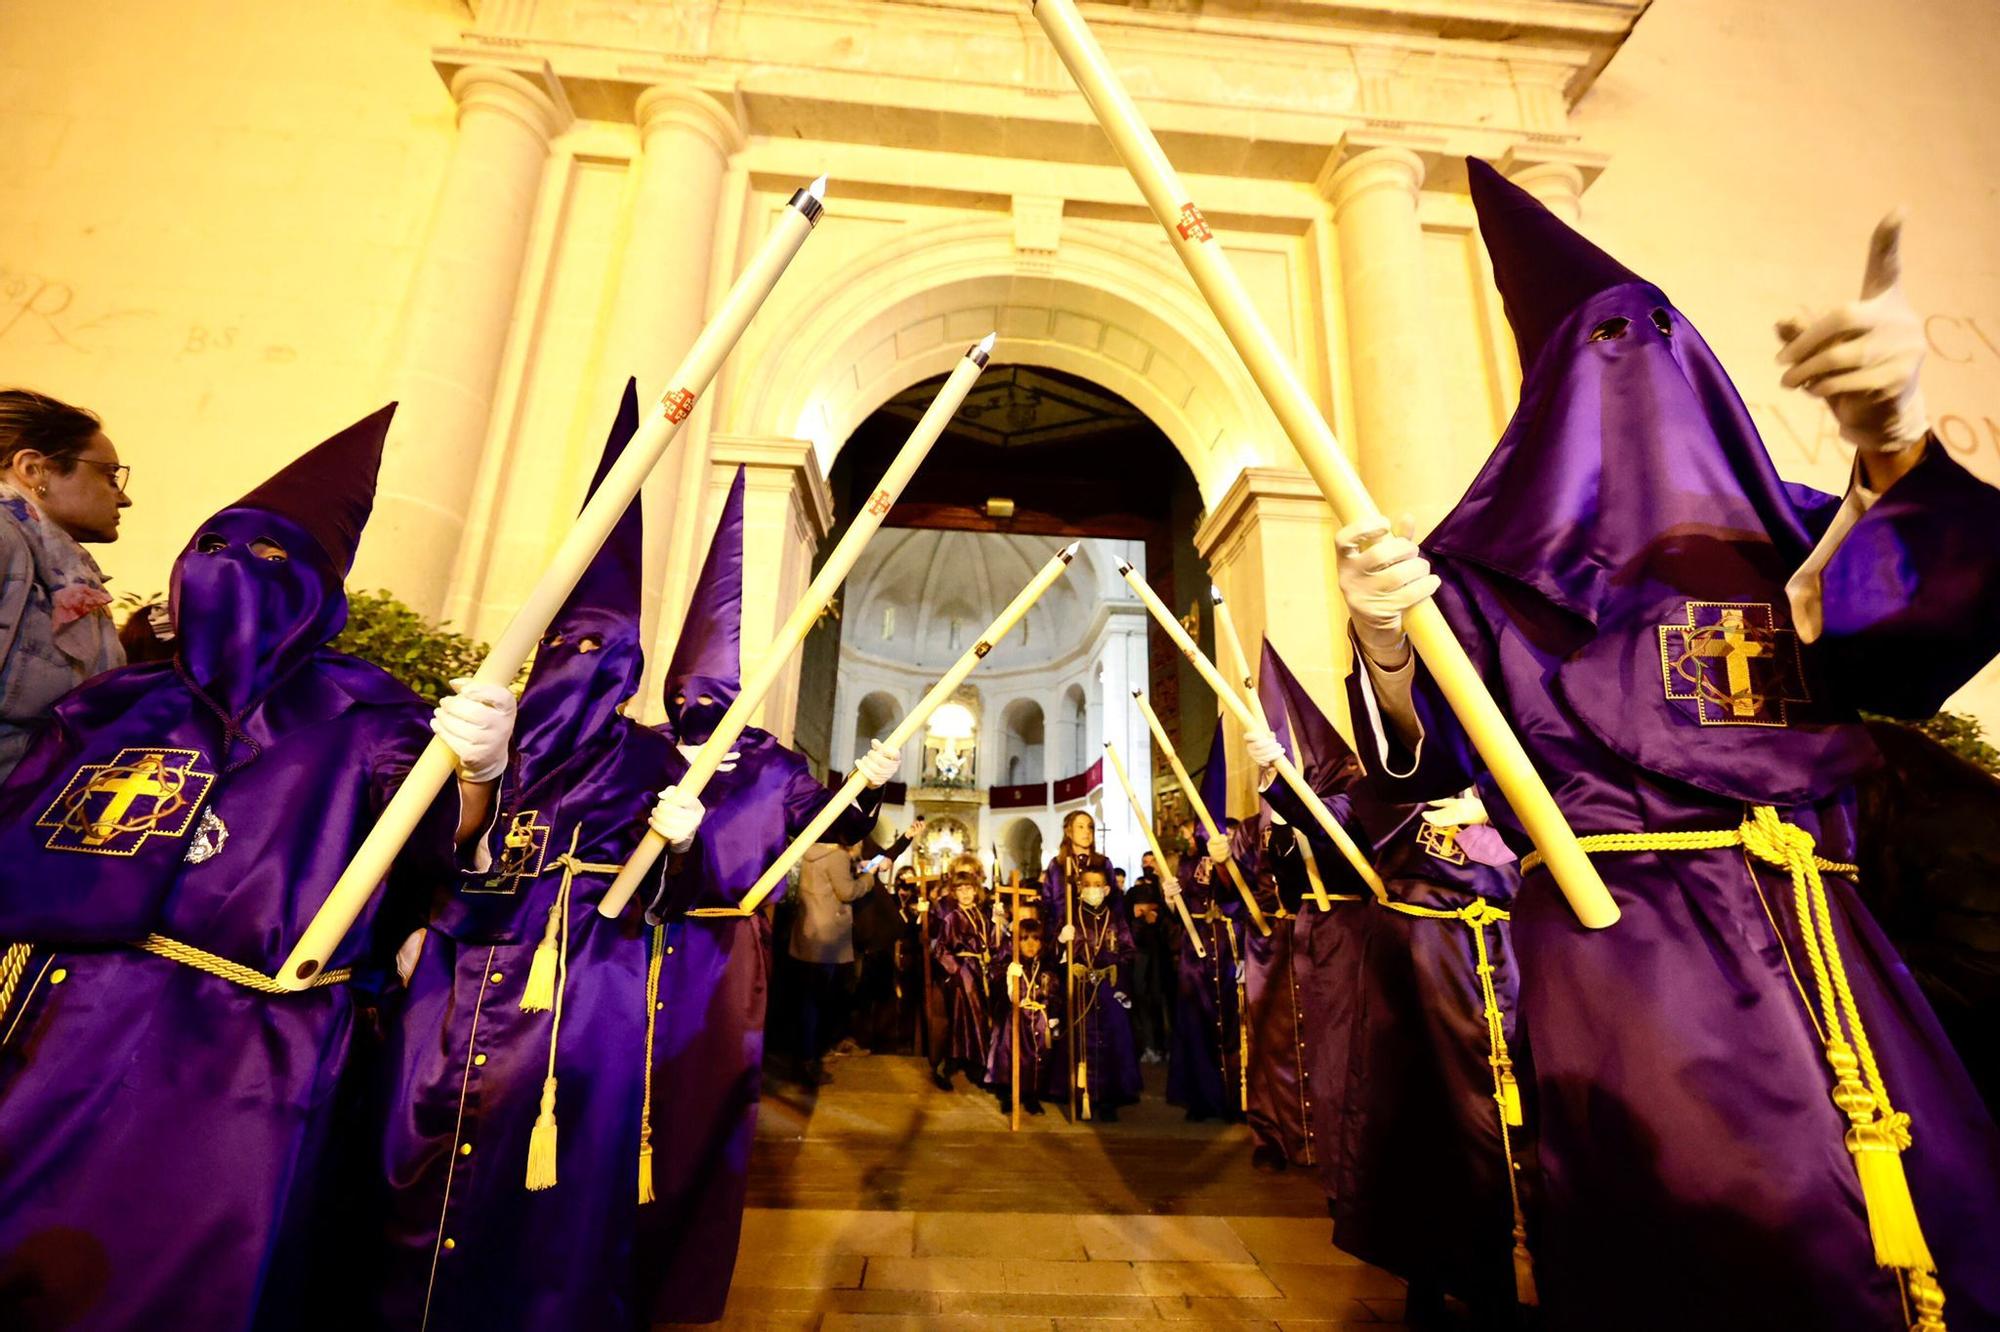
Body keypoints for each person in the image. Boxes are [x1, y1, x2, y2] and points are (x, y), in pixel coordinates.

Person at [1331, 161, 2000, 1328]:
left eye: (1660, 342)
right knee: (1722, 1229)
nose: (1637, 381)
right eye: (1599, 356)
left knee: (1939, 1215)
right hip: (1632, 959)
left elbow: (1909, 642)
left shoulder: (1796, 539)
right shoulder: (1485, 583)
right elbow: (1419, 766)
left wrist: (1895, 449)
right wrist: (1388, 637)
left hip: (1832, 940)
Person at [0, 404, 515, 1332]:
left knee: (199, 1264)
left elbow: (433, 840)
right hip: (68, 1024)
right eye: (215, 544)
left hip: (251, 1044)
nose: (233, 570)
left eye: (272, 558)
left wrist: (475, 774)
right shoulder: (116, 702)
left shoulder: (368, 715)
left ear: (317, 590)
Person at [373, 382, 690, 1332]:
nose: (585, 662)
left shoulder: (648, 757)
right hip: (457, 971)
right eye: (571, 642)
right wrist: (467, 774)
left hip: (584, 986)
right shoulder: (492, 734)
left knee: (557, 1156)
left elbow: (662, 894)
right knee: (417, 1141)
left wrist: (672, 844)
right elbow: (424, 847)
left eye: (609, 651)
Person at [634, 469, 901, 1325]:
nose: (695, 701)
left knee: (706, 1111)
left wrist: (866, 790)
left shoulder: (774, 765)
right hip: (628, 952)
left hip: (725, 953)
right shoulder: (636, 752)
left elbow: (834, 827)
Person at [0, 389, 130, 779]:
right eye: (109, 476)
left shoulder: (58, 569)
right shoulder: (5, 538)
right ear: (33, 470)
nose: (124, 498)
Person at [1166, 724, 1245, 1124]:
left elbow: (1243, 896)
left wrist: (1228, 861)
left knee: (1234, 1023)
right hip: (1196, 952)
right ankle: (1201, 1096)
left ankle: (1236, 1096)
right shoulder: (1187, 863)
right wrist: (1171, 895)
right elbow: (1180, 902)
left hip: (1229, 946)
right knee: (1196, 1023)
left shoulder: (1237, 857)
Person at [1061, 864, 1142, 1121]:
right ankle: (1082, 1094)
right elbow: (1056, 955)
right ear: (1079, 890)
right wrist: (1062, 943)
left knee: (1111, 1041)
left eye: (1098, 885)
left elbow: (1129, 952)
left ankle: (1109, 1098)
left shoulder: (1116, 918)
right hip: (1081, 988)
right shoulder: (1071, 917)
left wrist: (1121, 981)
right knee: (1081, 1041)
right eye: (1087, 885)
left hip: (1109, 988)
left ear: (1107, 889)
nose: (1093, 890)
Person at [791, 840, 870, 1084]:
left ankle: (805, 1056)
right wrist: (868, 877)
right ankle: (811, 1060)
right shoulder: (837, 856)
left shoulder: (809, 852)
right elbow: (847, 892)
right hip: (828, 939)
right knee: (820, 1001)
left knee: (807, 1000)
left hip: (808, 933)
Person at [929, 855, 998, 1091]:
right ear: (954, 893)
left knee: (980, 1017)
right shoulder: (952, 918)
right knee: (967, 1017)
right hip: (963, 975)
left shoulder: (981, 915)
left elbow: (992, 943)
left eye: (970, 889)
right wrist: (956, 971)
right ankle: (956, 1063)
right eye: (961, 890)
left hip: (981, 972)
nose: (966, 894)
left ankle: (975, 1063)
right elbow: (940, 948)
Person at [988, 916, 1057, 1115]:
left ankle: (1032, 1095)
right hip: (1015, 1018)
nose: (1030, 944)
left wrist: (1053, 1013)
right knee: (1012, 1054)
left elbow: (1053, 989)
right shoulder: (1010, 963)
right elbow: (996, 981)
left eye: (1035, 939)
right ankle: (1010, 1094)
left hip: (1038, 1019)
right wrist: (1008, 978)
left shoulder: (1044, 964)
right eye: (1025, 939)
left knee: (1037, 1058)